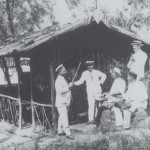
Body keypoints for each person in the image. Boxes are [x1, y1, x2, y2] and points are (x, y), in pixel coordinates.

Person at [55, 64, 74, 139]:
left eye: (65, 69)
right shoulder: (58, 80)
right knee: (65, 118)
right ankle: (68, 134)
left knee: (61, 117)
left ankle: (59, 132)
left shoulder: (63, 79)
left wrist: (69, 86)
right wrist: (68, 86)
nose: (65, 70)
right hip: (61, 102)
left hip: (64, 102)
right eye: (63, 70)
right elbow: (60, 91)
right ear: (59, 71)